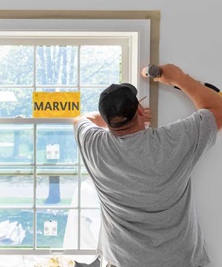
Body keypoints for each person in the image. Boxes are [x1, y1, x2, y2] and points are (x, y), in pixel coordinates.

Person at [73, 64, 222, 267]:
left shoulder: (94, 145)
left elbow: (81, 120)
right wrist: (179, 78)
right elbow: (217, 110)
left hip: (122, 261)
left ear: (108, 124)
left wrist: (113, 119)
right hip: (178, 261)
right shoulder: (171, 142)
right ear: (141, 111)